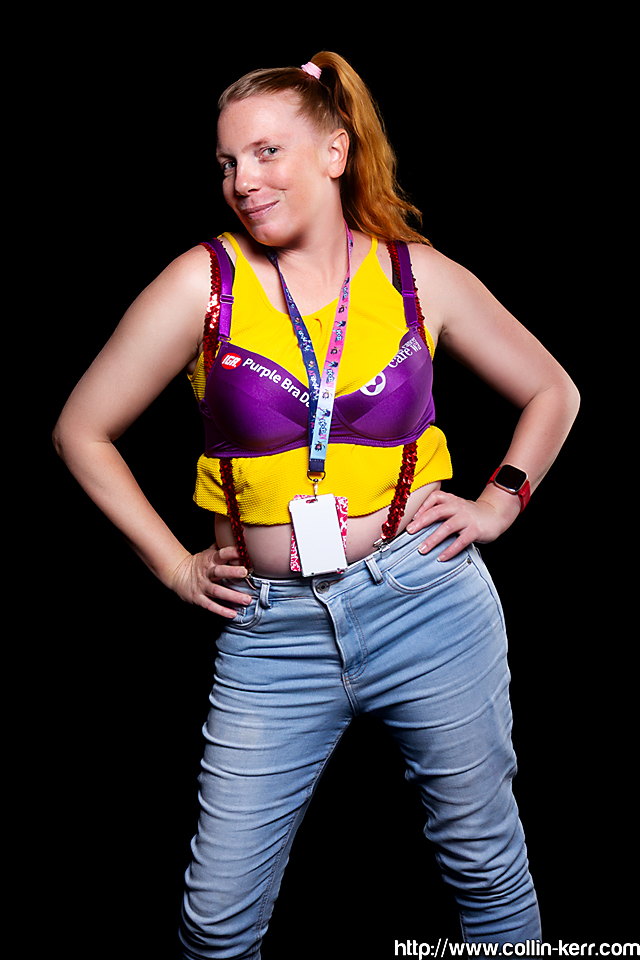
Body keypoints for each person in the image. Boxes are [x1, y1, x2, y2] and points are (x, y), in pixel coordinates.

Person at [53, 52, 580, 959]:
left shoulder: (416, 277)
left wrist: (501, 501)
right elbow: (81, 431)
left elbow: (553, 391)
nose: (242, 181)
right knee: (216, 922)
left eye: (267, 152)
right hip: (274, 632)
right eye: (227, 163)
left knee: (486, 869)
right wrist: (174, 566)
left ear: (335, 151)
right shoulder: (203, 282)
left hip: (426, 600)